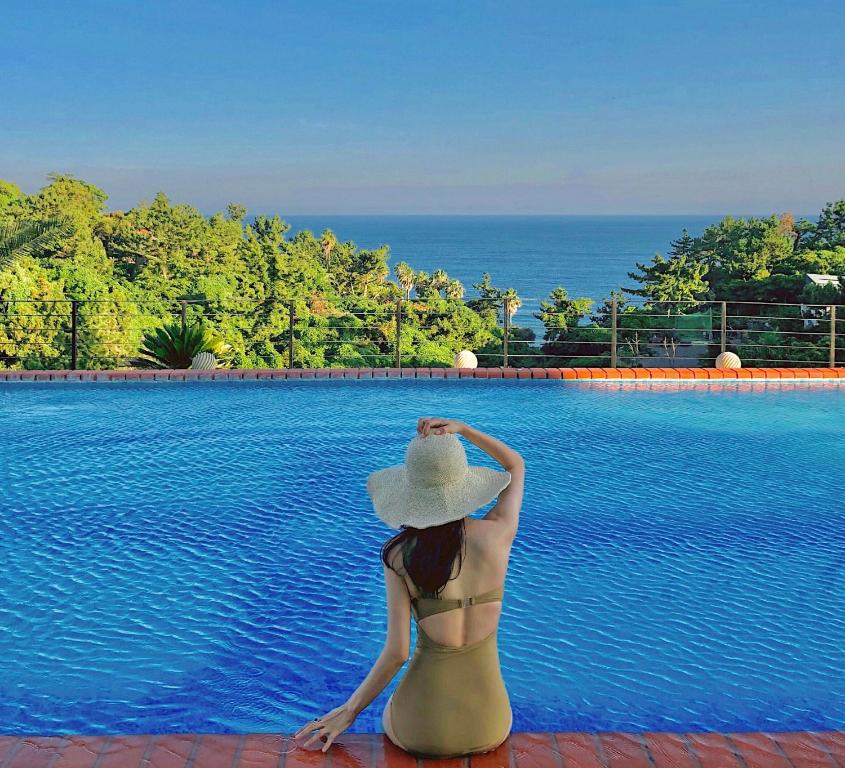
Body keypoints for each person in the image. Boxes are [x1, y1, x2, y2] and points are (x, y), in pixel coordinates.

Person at [295, 416, 524, 758]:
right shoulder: (498, 536)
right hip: (490, 725)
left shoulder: (399, 556)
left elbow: (398, 652)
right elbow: (515, 464)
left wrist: (349, 711)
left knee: (392, 707)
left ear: (412, 495)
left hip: (420, 730)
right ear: (464, 487)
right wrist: (464, 429)